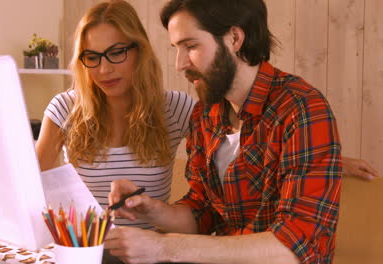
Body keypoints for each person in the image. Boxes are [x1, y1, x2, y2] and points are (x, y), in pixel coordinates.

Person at [105, 0, 350, 263]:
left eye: (191, 46)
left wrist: (165, 247)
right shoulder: (205, 114)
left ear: (234, 38)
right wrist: (152, 210)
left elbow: (294, 246)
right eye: (177, 48)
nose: (179, 64)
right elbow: (203, 212)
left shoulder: (301, 108)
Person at [35, 0, 195, 230]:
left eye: (116, 52)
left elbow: (212, 191)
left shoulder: (176, 108)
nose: (104, 69)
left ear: (140, 51)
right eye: (92, 57)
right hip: (88, 252)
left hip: (153, 253)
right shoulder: (64, 109)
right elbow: (30, 191)